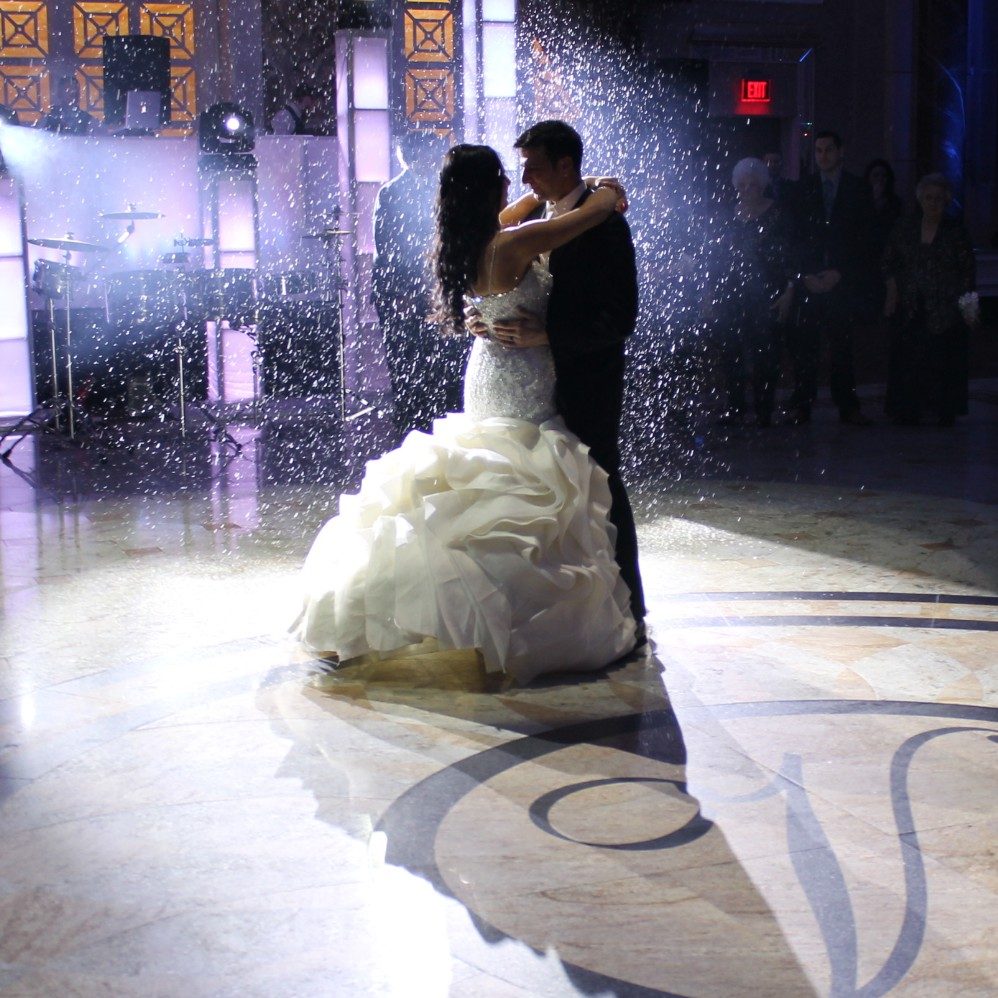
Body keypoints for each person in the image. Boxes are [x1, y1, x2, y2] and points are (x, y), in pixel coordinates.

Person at [293, 144, 637, 683]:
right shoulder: (513, 241)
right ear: (490, 188)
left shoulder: (473, 237)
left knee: (489, 480)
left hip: (488, 371)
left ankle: (476, 610)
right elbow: (589, 215)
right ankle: (511, 618)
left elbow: (526, 208)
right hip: (521, 376)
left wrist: (566, 182)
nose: (514, 184)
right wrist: (606, 192)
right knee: (519, 482)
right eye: (505, 176)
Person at [485, 119, 647, 639]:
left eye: (534, 165)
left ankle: (628, 604)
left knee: (599, 484)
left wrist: (548, 336)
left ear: (564, 165)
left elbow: (619, 320)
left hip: (587, 378)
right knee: (548, 492)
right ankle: (563, 606)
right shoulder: (538, 213)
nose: (526, 177)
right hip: (534, 382)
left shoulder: (606, 224)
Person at [371, 130, 461, 439]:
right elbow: (389, 247)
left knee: (439, 361)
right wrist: (401, 292)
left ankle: (434, 423)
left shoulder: (444, 188)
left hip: (438, 287)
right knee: (406, 360)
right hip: (403, 290)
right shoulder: (393, 192)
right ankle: (412, 426)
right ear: (408, 157)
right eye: (427, 152)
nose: (434, 159)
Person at [786, 130, 874, 425]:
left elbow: (864, 239)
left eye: (828, 150)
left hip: (841, 279)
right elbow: (794, 237)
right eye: (819, 151)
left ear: (841, 152)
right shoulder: (803, 188)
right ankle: (802, 403)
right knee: (805, 346)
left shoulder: (857, 189)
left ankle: (847, 405)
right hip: (811, 278)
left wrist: (841, 272)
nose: (823, 156)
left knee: (842, 345)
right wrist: (806, 273)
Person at [882, 173, 977, 427]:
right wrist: (892, 291)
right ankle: (908, 409)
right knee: (909, 358)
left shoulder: (955, 232)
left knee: (944, 359)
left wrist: (968, 307)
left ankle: (943, 409)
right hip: (911, 304)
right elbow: (889, 260)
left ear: (946, 201)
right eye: (928, 198)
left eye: (938, 199)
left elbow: (967, 271)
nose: (932, 203)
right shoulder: (905, 227)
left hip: (945, 306)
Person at [708, 157, 795, 427]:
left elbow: (790, 257)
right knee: (731, 353)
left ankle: (764, 410)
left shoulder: (778, 215)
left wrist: (790, 289)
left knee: (765, 354)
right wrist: (709, 293)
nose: (747, 190)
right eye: (742, 185)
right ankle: (735, 407)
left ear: (763, 186)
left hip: (767, 295)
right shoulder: (727, 217)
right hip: (731, 294)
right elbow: (716, 258)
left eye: (753, 185)